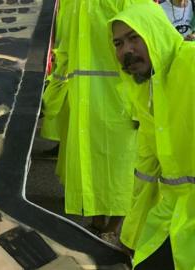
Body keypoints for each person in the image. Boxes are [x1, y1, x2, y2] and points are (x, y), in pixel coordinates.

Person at [40, 0, 149, 242]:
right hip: (84, 101)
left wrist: (142, 103)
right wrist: (52, 94)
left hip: (121, 99)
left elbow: (147, 43)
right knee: (92, 164)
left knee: (122, 167)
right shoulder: (71, 3)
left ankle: (115, 229)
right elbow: (65, 50)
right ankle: (97, 224)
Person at [110, 2, 195, 268]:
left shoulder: (190, 62)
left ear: (156, 31)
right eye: (118, 44)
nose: (126, 50)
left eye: (134, 37)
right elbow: (146, 171)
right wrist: (130, 237)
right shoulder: (145, 92)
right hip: (174, 212)